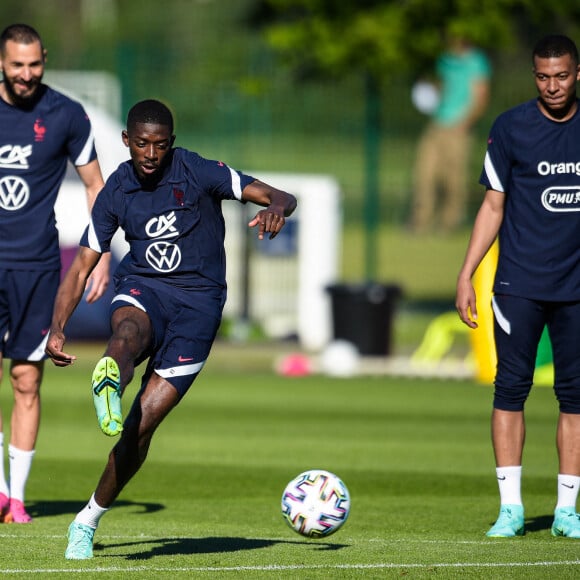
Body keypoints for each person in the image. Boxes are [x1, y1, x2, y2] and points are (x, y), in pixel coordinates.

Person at [45, 98, 298, 559]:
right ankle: (110, 383)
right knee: (126, 335)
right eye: (141, 143)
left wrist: (277, 210)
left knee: (140, 431)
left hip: (200, 309)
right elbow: (82, 267)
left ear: (172, 144)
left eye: (160, 145)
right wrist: (57, 327)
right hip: (144, 289)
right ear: (126, 140)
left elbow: (278, 195)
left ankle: (87, 519)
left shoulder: (199, 171)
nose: (150, 153)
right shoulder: (116, 192)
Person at [456, 34, 580, 539]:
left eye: (563, 76)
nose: (553, 86)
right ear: (535, 76)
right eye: (543, 77)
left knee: (575, 398)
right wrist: (466, 274)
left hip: (577, 288)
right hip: (518, 283)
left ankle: (568, 511)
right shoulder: (510, 127)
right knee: (511, 390)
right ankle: (510, 509)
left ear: (578, 73)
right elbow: (492, 205)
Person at [0, 23, 110, 524]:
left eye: (34, 65)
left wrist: (102, 256)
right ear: (1, 62)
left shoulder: (67, 114)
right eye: (16, 65)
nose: (26, 75)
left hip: (38, 268)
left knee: (26, 379)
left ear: (44, 59)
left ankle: (16, 500)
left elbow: (96, 188)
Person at [411, 33, 491, 234]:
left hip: (459, 127)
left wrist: (465, 123)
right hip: (437, 122)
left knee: (454, 178)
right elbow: (441, 87)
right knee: (425, 173)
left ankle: (449, 222)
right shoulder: (444, 60)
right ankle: (420, 221)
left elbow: (481, 97)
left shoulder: (477, 62)